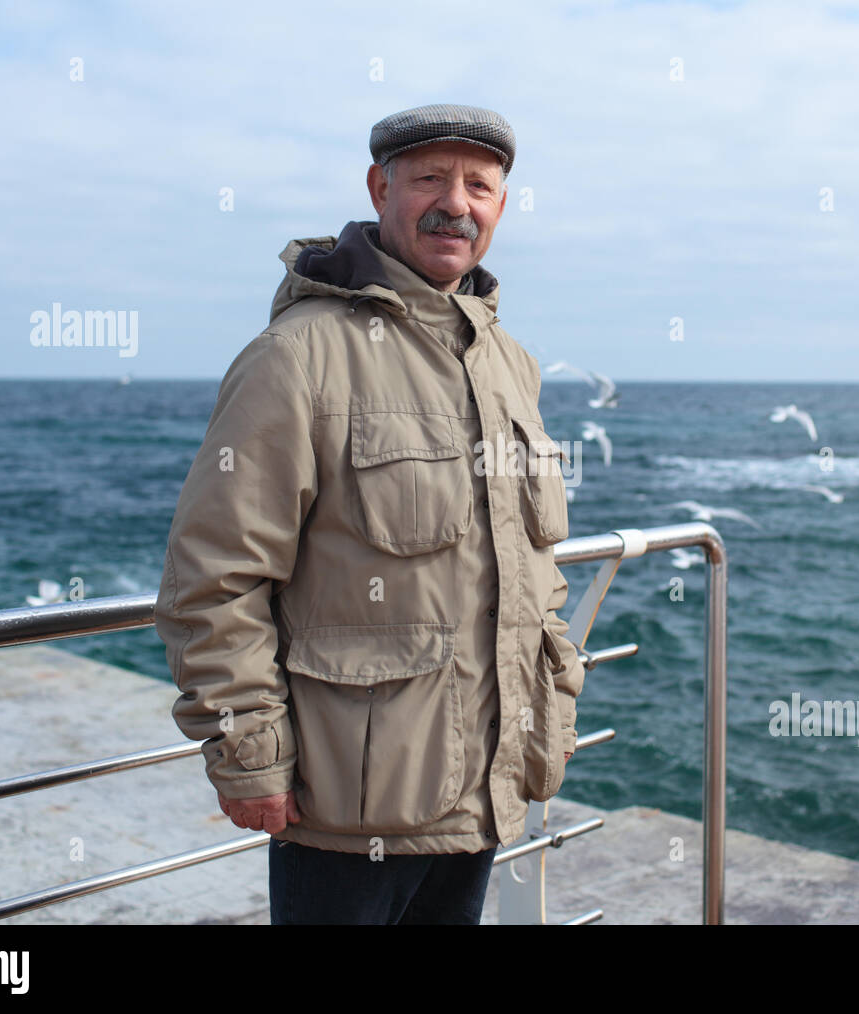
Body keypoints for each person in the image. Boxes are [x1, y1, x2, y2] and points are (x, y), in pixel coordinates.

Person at [153, 103, 586, 925]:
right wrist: (248, 752)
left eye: (480, 186)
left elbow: (532, 569)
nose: (456, 203)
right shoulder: (298, 355)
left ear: (501, 207)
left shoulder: (508, 362)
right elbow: (215, 575)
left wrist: (551, 708)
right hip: (345, 805)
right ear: (379, 188)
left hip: (483, 788)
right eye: (429, 179)